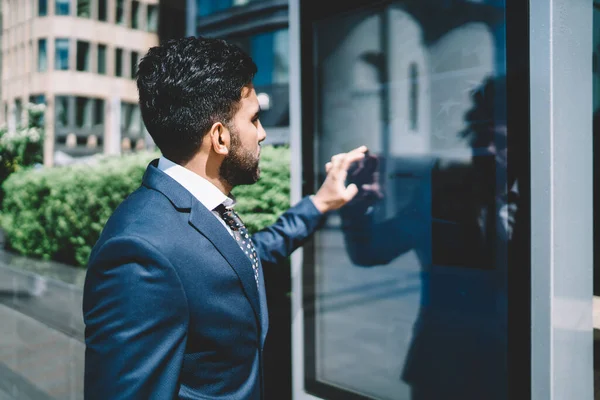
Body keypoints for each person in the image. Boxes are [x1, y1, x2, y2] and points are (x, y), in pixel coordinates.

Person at [82, 36, 367, 400]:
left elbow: (246, 259)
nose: (262, 133)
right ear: (219, 136)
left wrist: (319, 204)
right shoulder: (139, 250)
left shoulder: (197, 209)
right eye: (254, 119)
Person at [340, 75, 523, 400]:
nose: (489, 152)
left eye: (504, 142)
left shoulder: (549, 205)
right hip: (442, 368)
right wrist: (359, 204)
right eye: (483, 138)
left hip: (522, 368)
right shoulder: (444, 190)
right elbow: (371, 251)